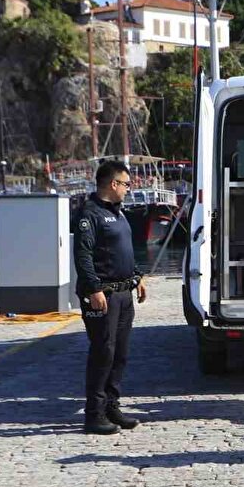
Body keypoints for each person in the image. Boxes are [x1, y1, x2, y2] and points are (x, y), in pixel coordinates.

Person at [73, 160, 147, 435]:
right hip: (102, 295)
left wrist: (137, 276)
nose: (129, 188)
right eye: (126, 184)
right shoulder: (89, 214)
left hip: (123, 294)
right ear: (113, 184)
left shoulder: (118, 213)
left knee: (120, 354)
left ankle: (112, 406)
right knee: (103, 352)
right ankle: (94, 414)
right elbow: (83, 255)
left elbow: (123, 251)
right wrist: (93, 288)